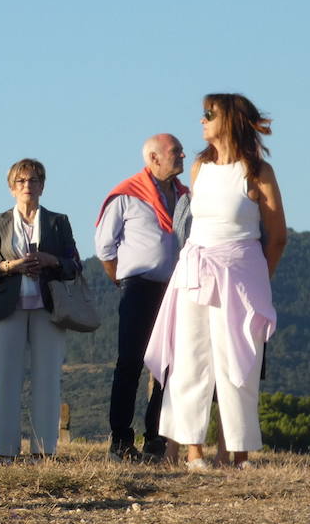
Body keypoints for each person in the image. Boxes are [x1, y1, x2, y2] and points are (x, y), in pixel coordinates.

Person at [145, 94, 286, 470]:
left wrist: (257, 277)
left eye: (210, 114)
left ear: (231, 121)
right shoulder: (199, 167)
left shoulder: (257, 172)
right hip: (195, 271)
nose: (202, 119)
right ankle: (193, 452)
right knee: (190, 359)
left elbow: (277, 234)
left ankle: (237, 453)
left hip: (240, 275)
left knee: (237, 361)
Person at [0, 158, 79, 460]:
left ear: (43, 186)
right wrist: (10, 266)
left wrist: (52, 261)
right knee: (7, 381)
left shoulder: (58, 222)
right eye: (21, 181)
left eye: (34, 180)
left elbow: (74, 266)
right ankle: (4, 451)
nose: (28, 186)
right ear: (11, 188)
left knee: (47, 380)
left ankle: (43, 451)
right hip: (9, 308)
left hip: (49, 309)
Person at [94, 133, 187, 463]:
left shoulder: (186, 197)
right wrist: (122, 282)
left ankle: (156, 439)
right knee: (130, 363)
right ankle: (120, 441)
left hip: (176, 290)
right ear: (154, 158)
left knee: (170, 366)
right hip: (138, 287)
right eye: (176, 151)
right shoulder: (126, 195)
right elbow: (105, 248)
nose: (183, 155)